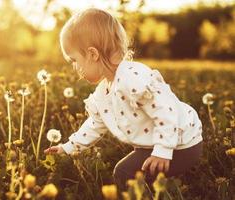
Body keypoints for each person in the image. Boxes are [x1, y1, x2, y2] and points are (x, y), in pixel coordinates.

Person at [44, 7, 203, 191]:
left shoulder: (133, 78)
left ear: (93, 54)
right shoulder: (104, 91)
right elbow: (95, 124)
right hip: (156, 143)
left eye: (74, 60)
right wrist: (68, 148)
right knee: (136, 168)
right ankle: (160, 187)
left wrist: (163, 151)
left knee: (125, 172)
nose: (74, 67)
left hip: (181, 143)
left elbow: (166, 111)